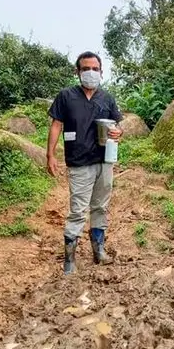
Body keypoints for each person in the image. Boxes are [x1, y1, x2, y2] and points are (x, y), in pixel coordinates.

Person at [46, 51, 124, 274]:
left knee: (100, 206)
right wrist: (50, 155)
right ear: (77, 72)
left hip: (105, 161)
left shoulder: (107, 98)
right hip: (79, 162)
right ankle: (69, 259)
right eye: (85, 69)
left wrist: (119, 132)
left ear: (101, 72)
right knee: (78, 210)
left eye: (95, 69)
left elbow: (119, 126)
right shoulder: (66, 96)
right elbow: (56, 125)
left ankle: (98, 251)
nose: (90, 73)